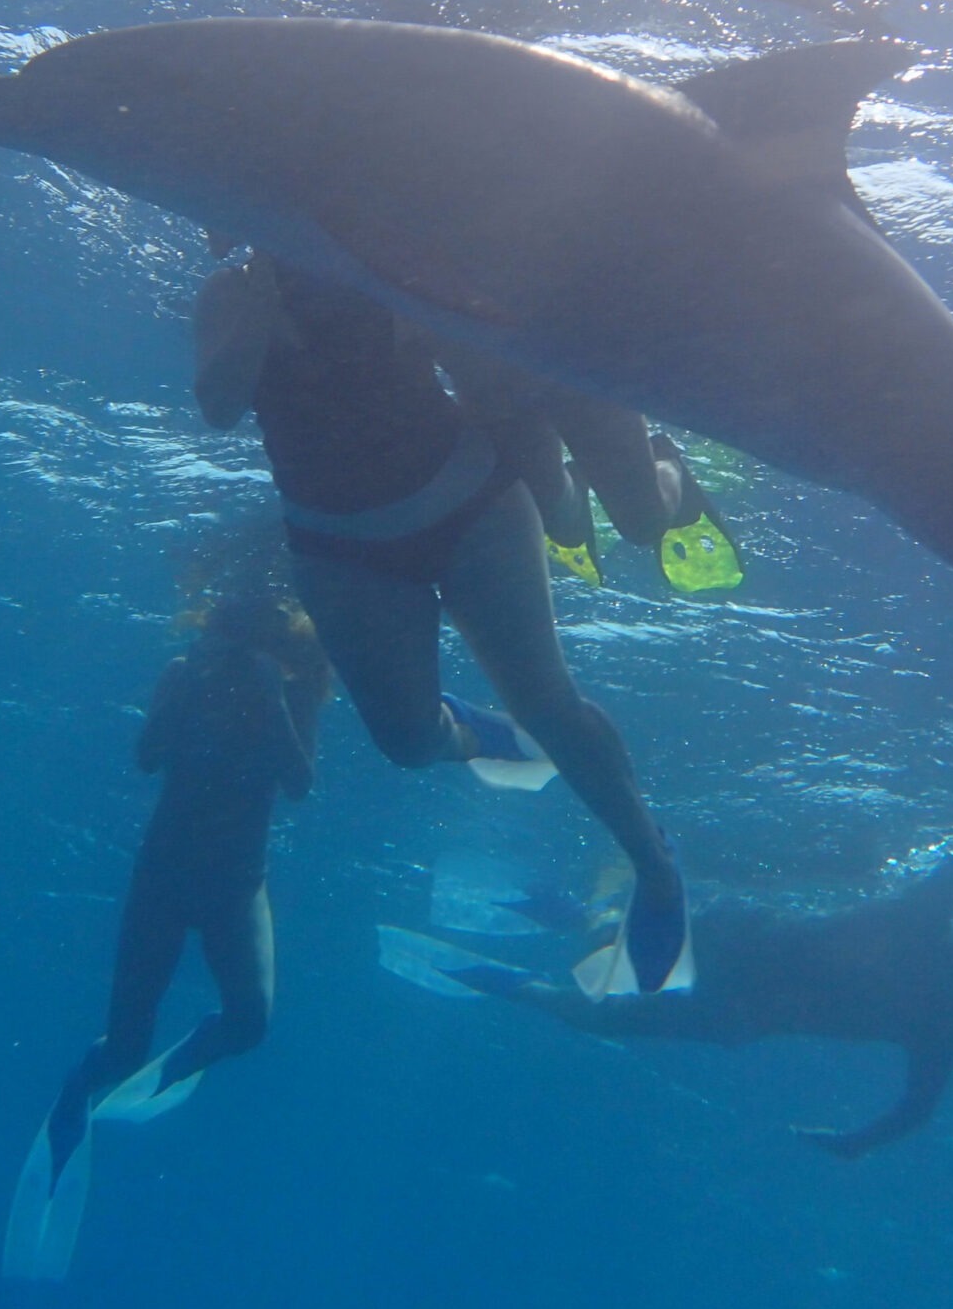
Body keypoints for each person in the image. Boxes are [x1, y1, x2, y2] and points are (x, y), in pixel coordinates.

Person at [194, 249, 692, 1000]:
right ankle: (471, 731)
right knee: (406, 742)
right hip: (340, 548)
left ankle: (656, 874)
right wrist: (260, 312)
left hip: (469, 504)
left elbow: (475, 355)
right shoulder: (227, 295)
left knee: (548, 702)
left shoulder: (369, 252)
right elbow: (218, 405)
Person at [3, 595, 330, 1281]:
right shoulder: (187, 672)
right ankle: (77, 1105)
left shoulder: (294, 686)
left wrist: (270, 696)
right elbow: (147, 756)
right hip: (165, 875)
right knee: (124, 1046)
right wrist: (184, 689)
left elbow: (299, 783)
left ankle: (146, 1081)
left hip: (237, 882)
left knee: (250, 1022)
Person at [381, 857, 953, 1158]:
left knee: (589, 1008)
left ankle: (501, 976)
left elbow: (917, 1109)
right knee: (599, 948)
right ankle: (573, 918)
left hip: (732, 1008)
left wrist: (855, 1143)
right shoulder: (929, 938)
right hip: (736, 947)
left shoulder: (937, 1017)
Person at [437, 342, 744, 595]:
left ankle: (666, 462)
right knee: (542, 511)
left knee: (643, 526)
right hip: (496, 374)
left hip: (576, 368)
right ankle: (577, 488)